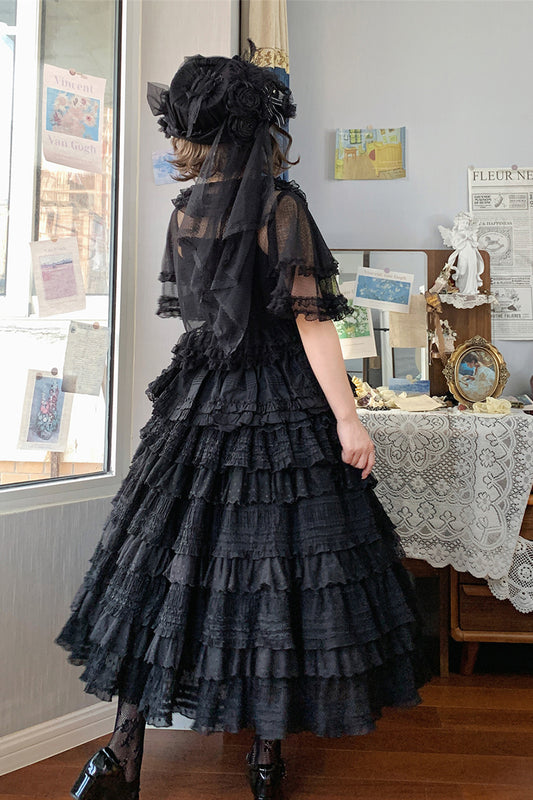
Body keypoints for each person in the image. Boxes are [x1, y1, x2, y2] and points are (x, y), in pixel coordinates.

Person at [55, 46, 430, 800]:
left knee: (169, 573)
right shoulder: (279, 207)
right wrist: (349, 420)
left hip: (198, 403)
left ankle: (119, 758)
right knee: (276, 577)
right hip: (278, 400)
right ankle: (263, 760)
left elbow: (199, 321)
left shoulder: (186, 211)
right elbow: (312, 325)